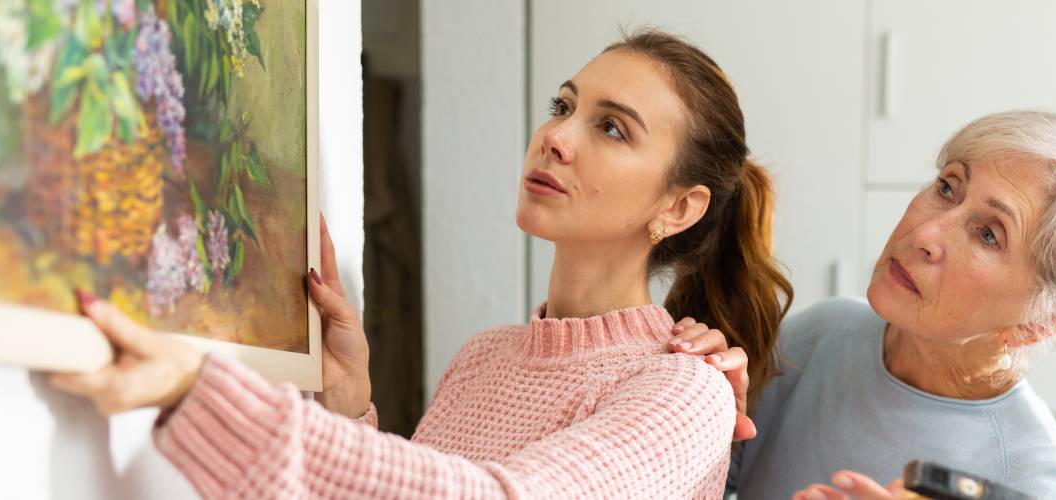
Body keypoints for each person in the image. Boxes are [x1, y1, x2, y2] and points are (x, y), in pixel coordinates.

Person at [49, 29, 792, 499]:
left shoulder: (687, 393)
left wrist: (199, 394)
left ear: (679, 208)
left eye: (611, 128)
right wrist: (347, 406)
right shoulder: (484, 359)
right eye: (563, 106)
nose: (557, 137)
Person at [675, 110, 1056, 499]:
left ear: (1036, 326)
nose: (926, 233)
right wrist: (703, 409)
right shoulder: (822, 335)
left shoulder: (1037, 482)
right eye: (947, 188)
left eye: (989, 234)